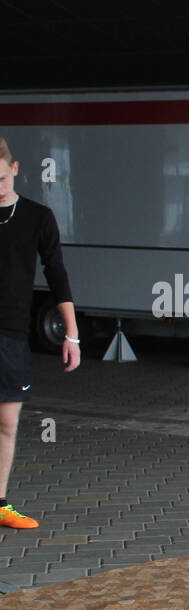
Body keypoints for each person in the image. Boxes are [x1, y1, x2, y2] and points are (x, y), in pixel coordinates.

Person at [0, 136, 80, 529]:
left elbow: (57, 275)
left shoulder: (37, 217)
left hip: (12, 336)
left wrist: (72, 335)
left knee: (8, 423)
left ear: (14, 170)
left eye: (0, 178)